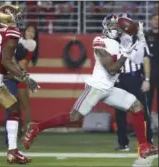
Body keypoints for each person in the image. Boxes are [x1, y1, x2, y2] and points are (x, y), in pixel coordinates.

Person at [22, 14, 158, 158]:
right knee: (74, 117)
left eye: (116, 26)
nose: (115, 28)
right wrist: (125, 54)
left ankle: (143, 146)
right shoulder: (99, 40)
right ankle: (36, 127)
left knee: (137, 107)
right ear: (105, 27)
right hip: (97, 87)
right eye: (112, 25)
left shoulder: (119, 44)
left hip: (109, 89)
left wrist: (141, 38)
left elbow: (137, 59)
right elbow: (111, 68)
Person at [0, 4, 39, 164]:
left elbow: (4, 59)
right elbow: (6, 60)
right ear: (7, 18)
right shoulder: (11, 32)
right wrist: (24, 77)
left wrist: (23, 74)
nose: (18, 18)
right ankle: (12, 151)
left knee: (14, 109)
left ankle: (12, 151)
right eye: (15, 15)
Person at [114, 13, 153, 152]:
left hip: (134, 77)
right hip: (119, 78)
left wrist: (147, 79)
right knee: (119, 113)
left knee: (141, 111)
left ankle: (147, 141)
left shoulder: (138, 38)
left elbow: (146, 59)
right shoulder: (114, 39)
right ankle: (123, 143)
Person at [145, 13, 159, 116]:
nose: (156, 21)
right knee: (147, 101)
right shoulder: (146, 35)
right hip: (149, 75)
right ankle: (146, 129)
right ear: (150, 21)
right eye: (154, 19)